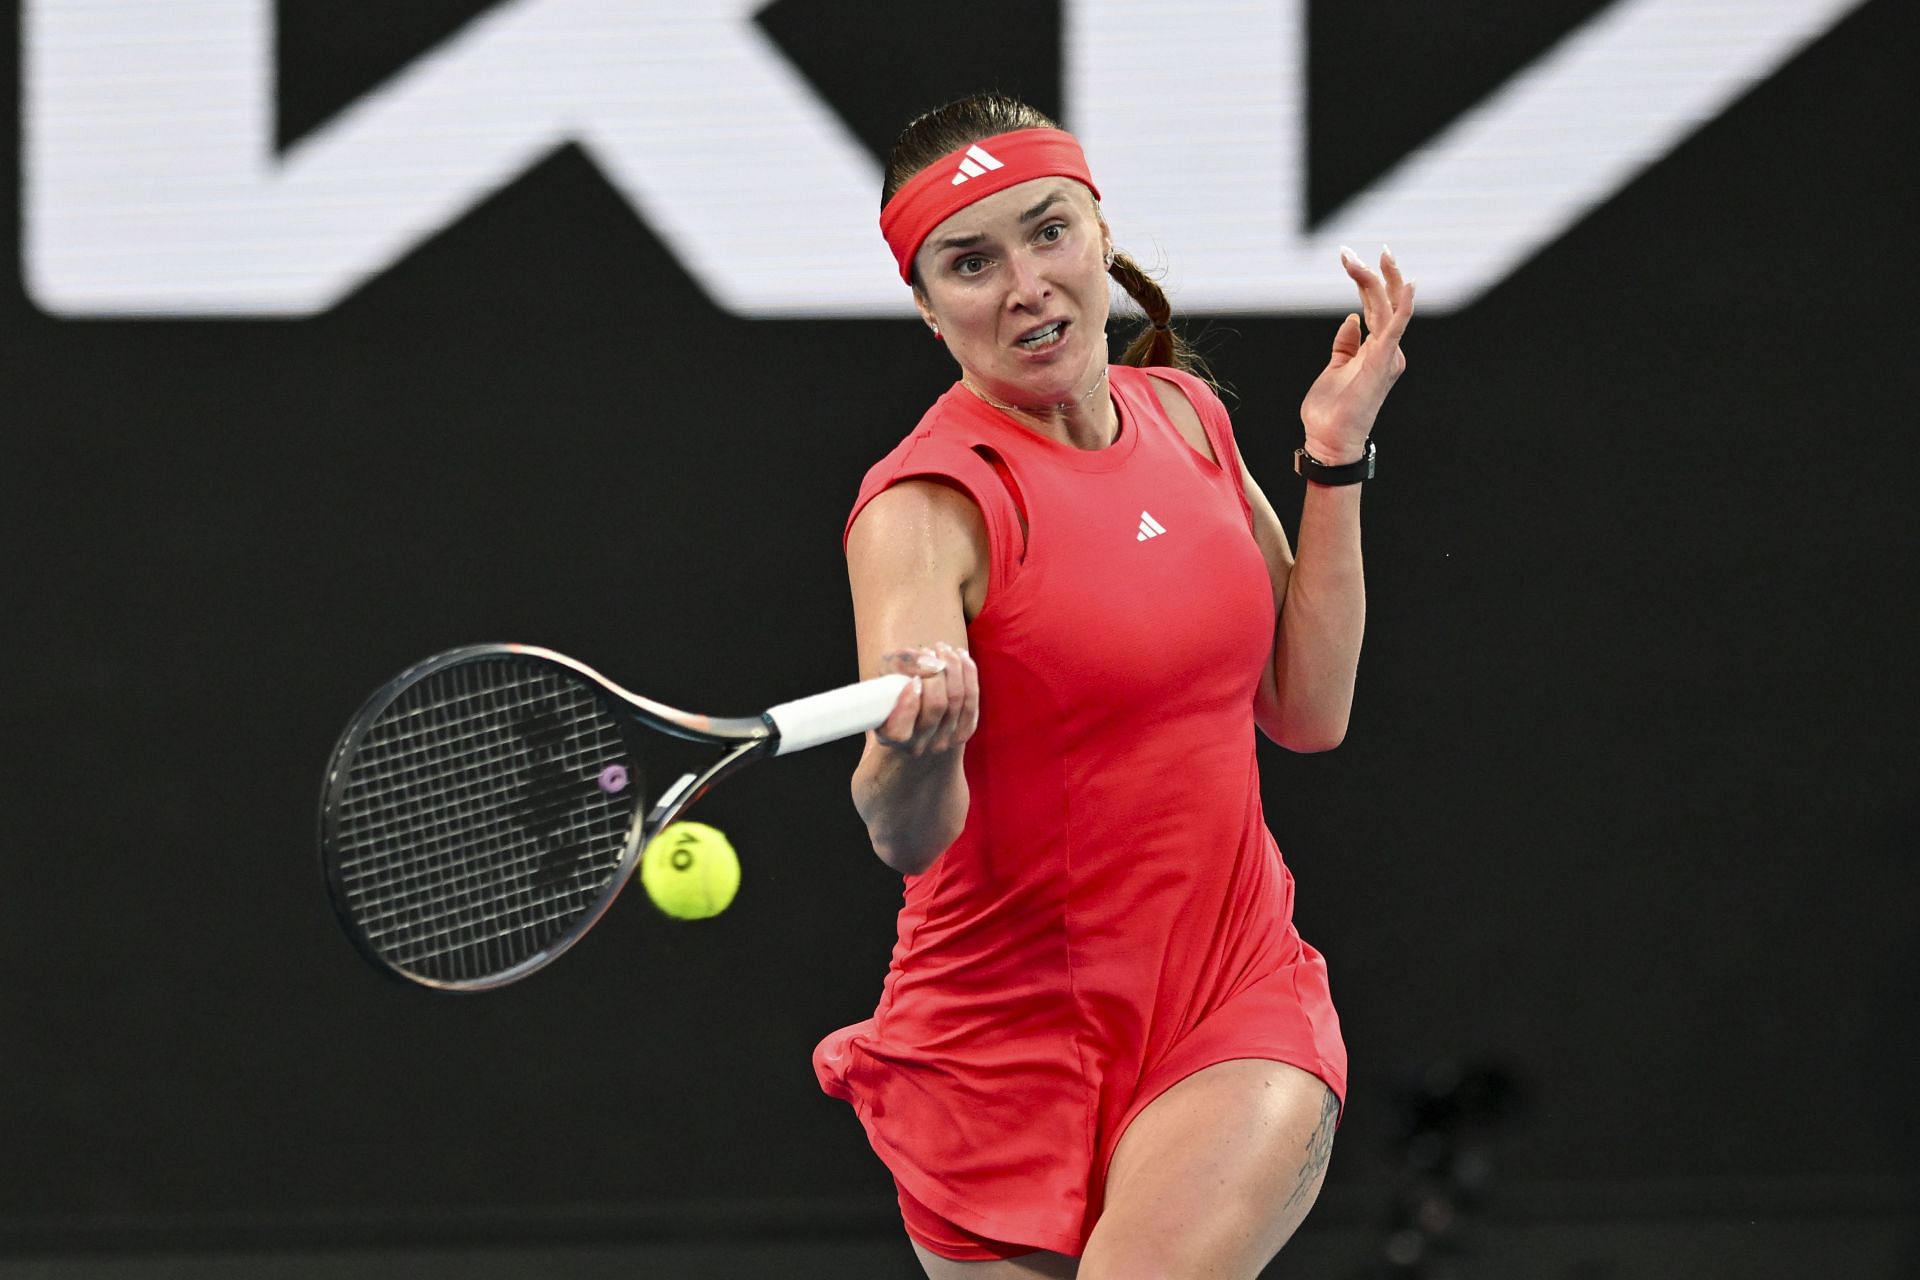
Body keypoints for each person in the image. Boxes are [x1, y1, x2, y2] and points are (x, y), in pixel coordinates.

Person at [813, 93, 1414, 1280]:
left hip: (1229, 997)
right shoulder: (923, 506)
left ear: (1099, 235)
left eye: (1049, 232)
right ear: (930, 311)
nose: (1027, 284)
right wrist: (921, 746)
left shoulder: (1188, 416)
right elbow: (901, 831)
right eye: (971, 262)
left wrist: (1333, 456)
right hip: (991, 1046)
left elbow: (1308, 708)